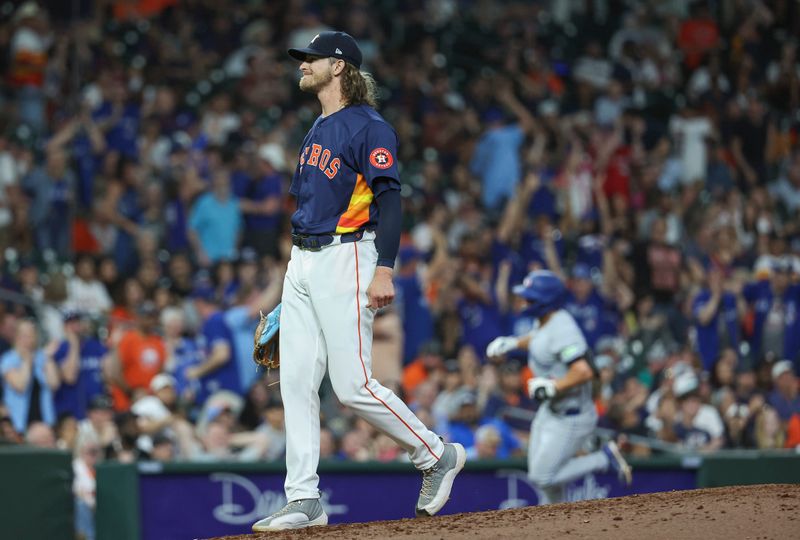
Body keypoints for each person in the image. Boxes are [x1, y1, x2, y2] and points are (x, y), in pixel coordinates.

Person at [250, 31, 465, 532]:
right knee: (297, 383)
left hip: (347, 256)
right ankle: (304, 498)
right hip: (303, 261)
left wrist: (384, 267)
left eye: (312, 59)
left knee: (352, 386)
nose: (303, 65)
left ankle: (436, 453)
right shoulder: (318, 126)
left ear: (339, 67)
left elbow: (391, 199)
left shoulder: (369, 126)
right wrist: (296, 277)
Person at [486, 270, 631, 505]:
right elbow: (539, 337)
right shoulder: (545, 320)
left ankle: (604, 458)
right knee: (544, 477)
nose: (524, 301)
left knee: (542, 475)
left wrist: (555, 386)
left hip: (572, 415)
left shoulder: (564, 329)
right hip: (551, 410)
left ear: (546, 301)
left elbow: (583, 370)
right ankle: (556, 525)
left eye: (530, 298)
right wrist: (513, 342)